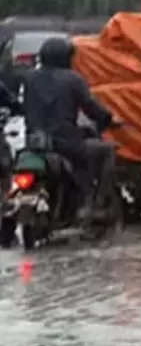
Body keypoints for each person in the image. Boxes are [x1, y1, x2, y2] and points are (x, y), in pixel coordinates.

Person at [20, 38, 116, 224]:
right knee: (107, 150)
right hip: (66, 144)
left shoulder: (29, 78)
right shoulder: (73, 79)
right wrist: (108, 118)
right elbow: (91, 107)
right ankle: (97, 202)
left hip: (34, 144)